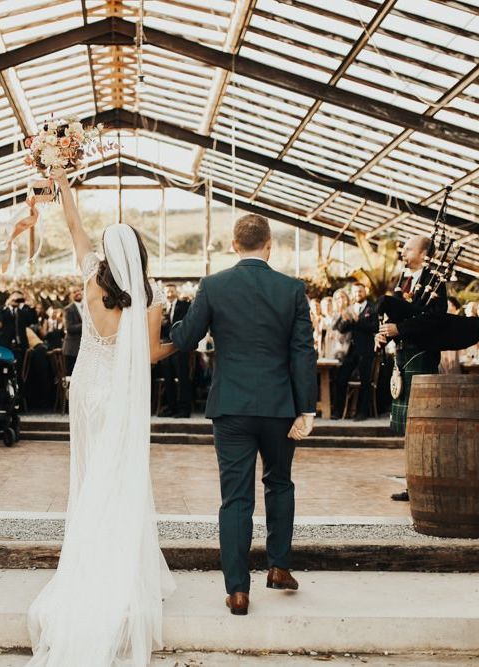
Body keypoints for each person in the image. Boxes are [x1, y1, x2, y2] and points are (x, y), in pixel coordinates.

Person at [27, 170, 176, 666]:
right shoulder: (152, 297)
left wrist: (64, 185)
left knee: (90, 476)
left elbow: (74, 228)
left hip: (87, 388)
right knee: (120, 476)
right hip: (121, 393)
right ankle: (120, 564)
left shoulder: (92, 276)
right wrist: (184, 342)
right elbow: (152, 354)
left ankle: (87, 563)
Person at [170, 213, 317, 616]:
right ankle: (280, 567)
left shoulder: (214, 285)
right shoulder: (291, 289)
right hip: (279, 408)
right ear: (269, 246)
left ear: (234, 246)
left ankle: (238, 591)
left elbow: (185, 338)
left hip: (231, 407)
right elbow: (304, 351)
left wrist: (174, 316)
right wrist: (306, 408)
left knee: (235, 499)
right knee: (280, 484)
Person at [376, 235, 446, 502]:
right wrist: (382, 333)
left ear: (425, 253)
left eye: (408, 248)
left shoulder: (435, 281)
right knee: (409, 427)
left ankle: (428, 481)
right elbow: (393, 316)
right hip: (402, 356)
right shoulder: (403, 280)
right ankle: (412, 482)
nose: (403, 251)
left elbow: (436, 319)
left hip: (422, 356)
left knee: (422, 423)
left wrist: (400, 329)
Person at [332, 283, 377, 421]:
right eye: (356, 292)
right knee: (340, 379)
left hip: (366, 351)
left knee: (365, 381)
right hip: (351, 351)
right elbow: (341, 329)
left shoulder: (372, 308)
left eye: (360, 291)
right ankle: (338, 411)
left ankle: (362, 412)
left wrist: (358, 320)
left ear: (365, 292)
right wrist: (345, 320)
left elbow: (374, 327)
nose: (358, 294)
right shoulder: (349, 309)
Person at [157, 283, 192, 417]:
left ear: (176, 292)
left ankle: (184, 409)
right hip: (165, 346)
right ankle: (171, 407)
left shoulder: (184, 306)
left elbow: (186, 324)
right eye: (167, 292)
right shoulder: (162, 308)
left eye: (171, 291)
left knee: (183, 378)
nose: (169, 294)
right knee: (168, 378)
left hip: (179, 347)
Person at [0, 290, 36, 379]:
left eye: (19, 299)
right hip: (6, 345)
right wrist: (7, 304)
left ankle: (21, 391)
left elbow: (33, 320)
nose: (17, 301)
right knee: (5, 371)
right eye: (15, 298)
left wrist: (31, 305)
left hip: (21, 346)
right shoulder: (3, 310)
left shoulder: (23, 312)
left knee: (21, 373)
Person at [62, 285, 83, 376]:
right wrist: (86, 325)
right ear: (70, 295)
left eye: (78, 290)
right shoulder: (68, 309)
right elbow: (69, 328)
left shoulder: (88, 306)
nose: (77, 293)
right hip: (72, 349)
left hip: (83, 347)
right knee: (73, 376)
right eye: (74, 292)